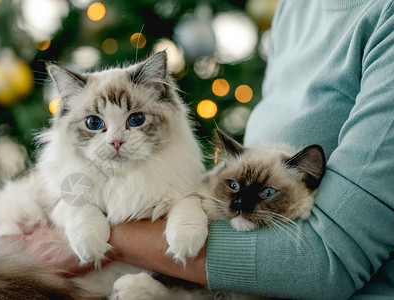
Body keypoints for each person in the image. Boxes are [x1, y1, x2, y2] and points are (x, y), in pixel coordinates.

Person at [20, 0, 394, 298]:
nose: (114, 139)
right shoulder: (293, 8)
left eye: (134, 121)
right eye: (95, 124)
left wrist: (112, 239)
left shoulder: (383, 17)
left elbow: (329, 263)